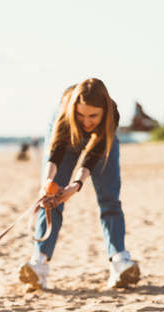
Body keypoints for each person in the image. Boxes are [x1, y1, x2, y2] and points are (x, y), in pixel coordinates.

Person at [19, 78, 140, 291]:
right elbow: (55, 153)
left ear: (104, 111)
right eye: (81, 115)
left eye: (93, 115)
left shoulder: (112, 114)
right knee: (50, 198)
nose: (87, 122)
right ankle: (39, 263)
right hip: (66, 137)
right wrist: (48, 182)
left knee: (109, 198)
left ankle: (119, 261)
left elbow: (92, 157)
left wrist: (75, 186)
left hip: (101, 143)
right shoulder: (65, 113)